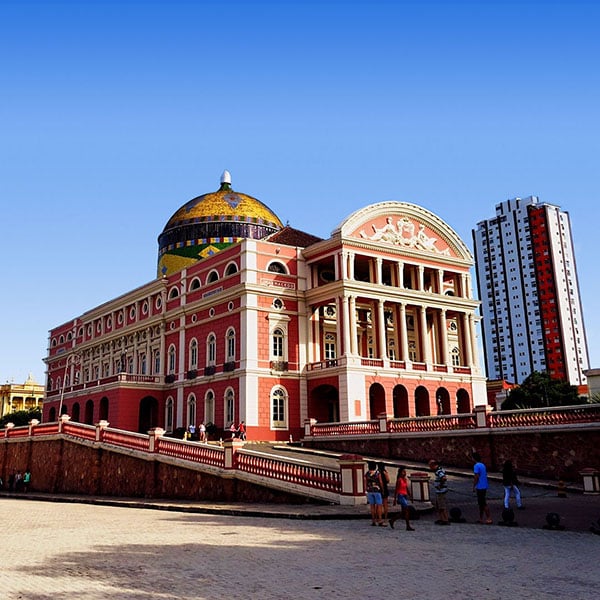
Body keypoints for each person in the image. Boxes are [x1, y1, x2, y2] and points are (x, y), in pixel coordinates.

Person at [428, 459, 450, 525]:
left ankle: (445, 520)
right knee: (439, 506)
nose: (429, 468)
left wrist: (440, 485)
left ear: (433, 465)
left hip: (441, 491)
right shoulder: (439, 470)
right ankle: (441, 519)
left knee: (442, 506)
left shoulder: (439, 471)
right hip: (439, 491)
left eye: (430, 466)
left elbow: (444, 478)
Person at [473, 452, 492, 524]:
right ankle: (481, 518)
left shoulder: (476, 466)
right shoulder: (482, 465)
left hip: (480, 486)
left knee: (483, 503)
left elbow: (476, 477)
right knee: (481, 503)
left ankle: (489, 517)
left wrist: (474, 486)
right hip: (484, 485)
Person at [364, 461, 385, 526]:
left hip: (370, 491)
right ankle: (380, 520)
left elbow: (365, 482)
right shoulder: (377, 473)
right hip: (377, 491)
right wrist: (382, 489)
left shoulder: (367, 473)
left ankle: (373, 520)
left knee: (372, 506)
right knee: (379, 506)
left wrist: (366, 489)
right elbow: (380, 482)